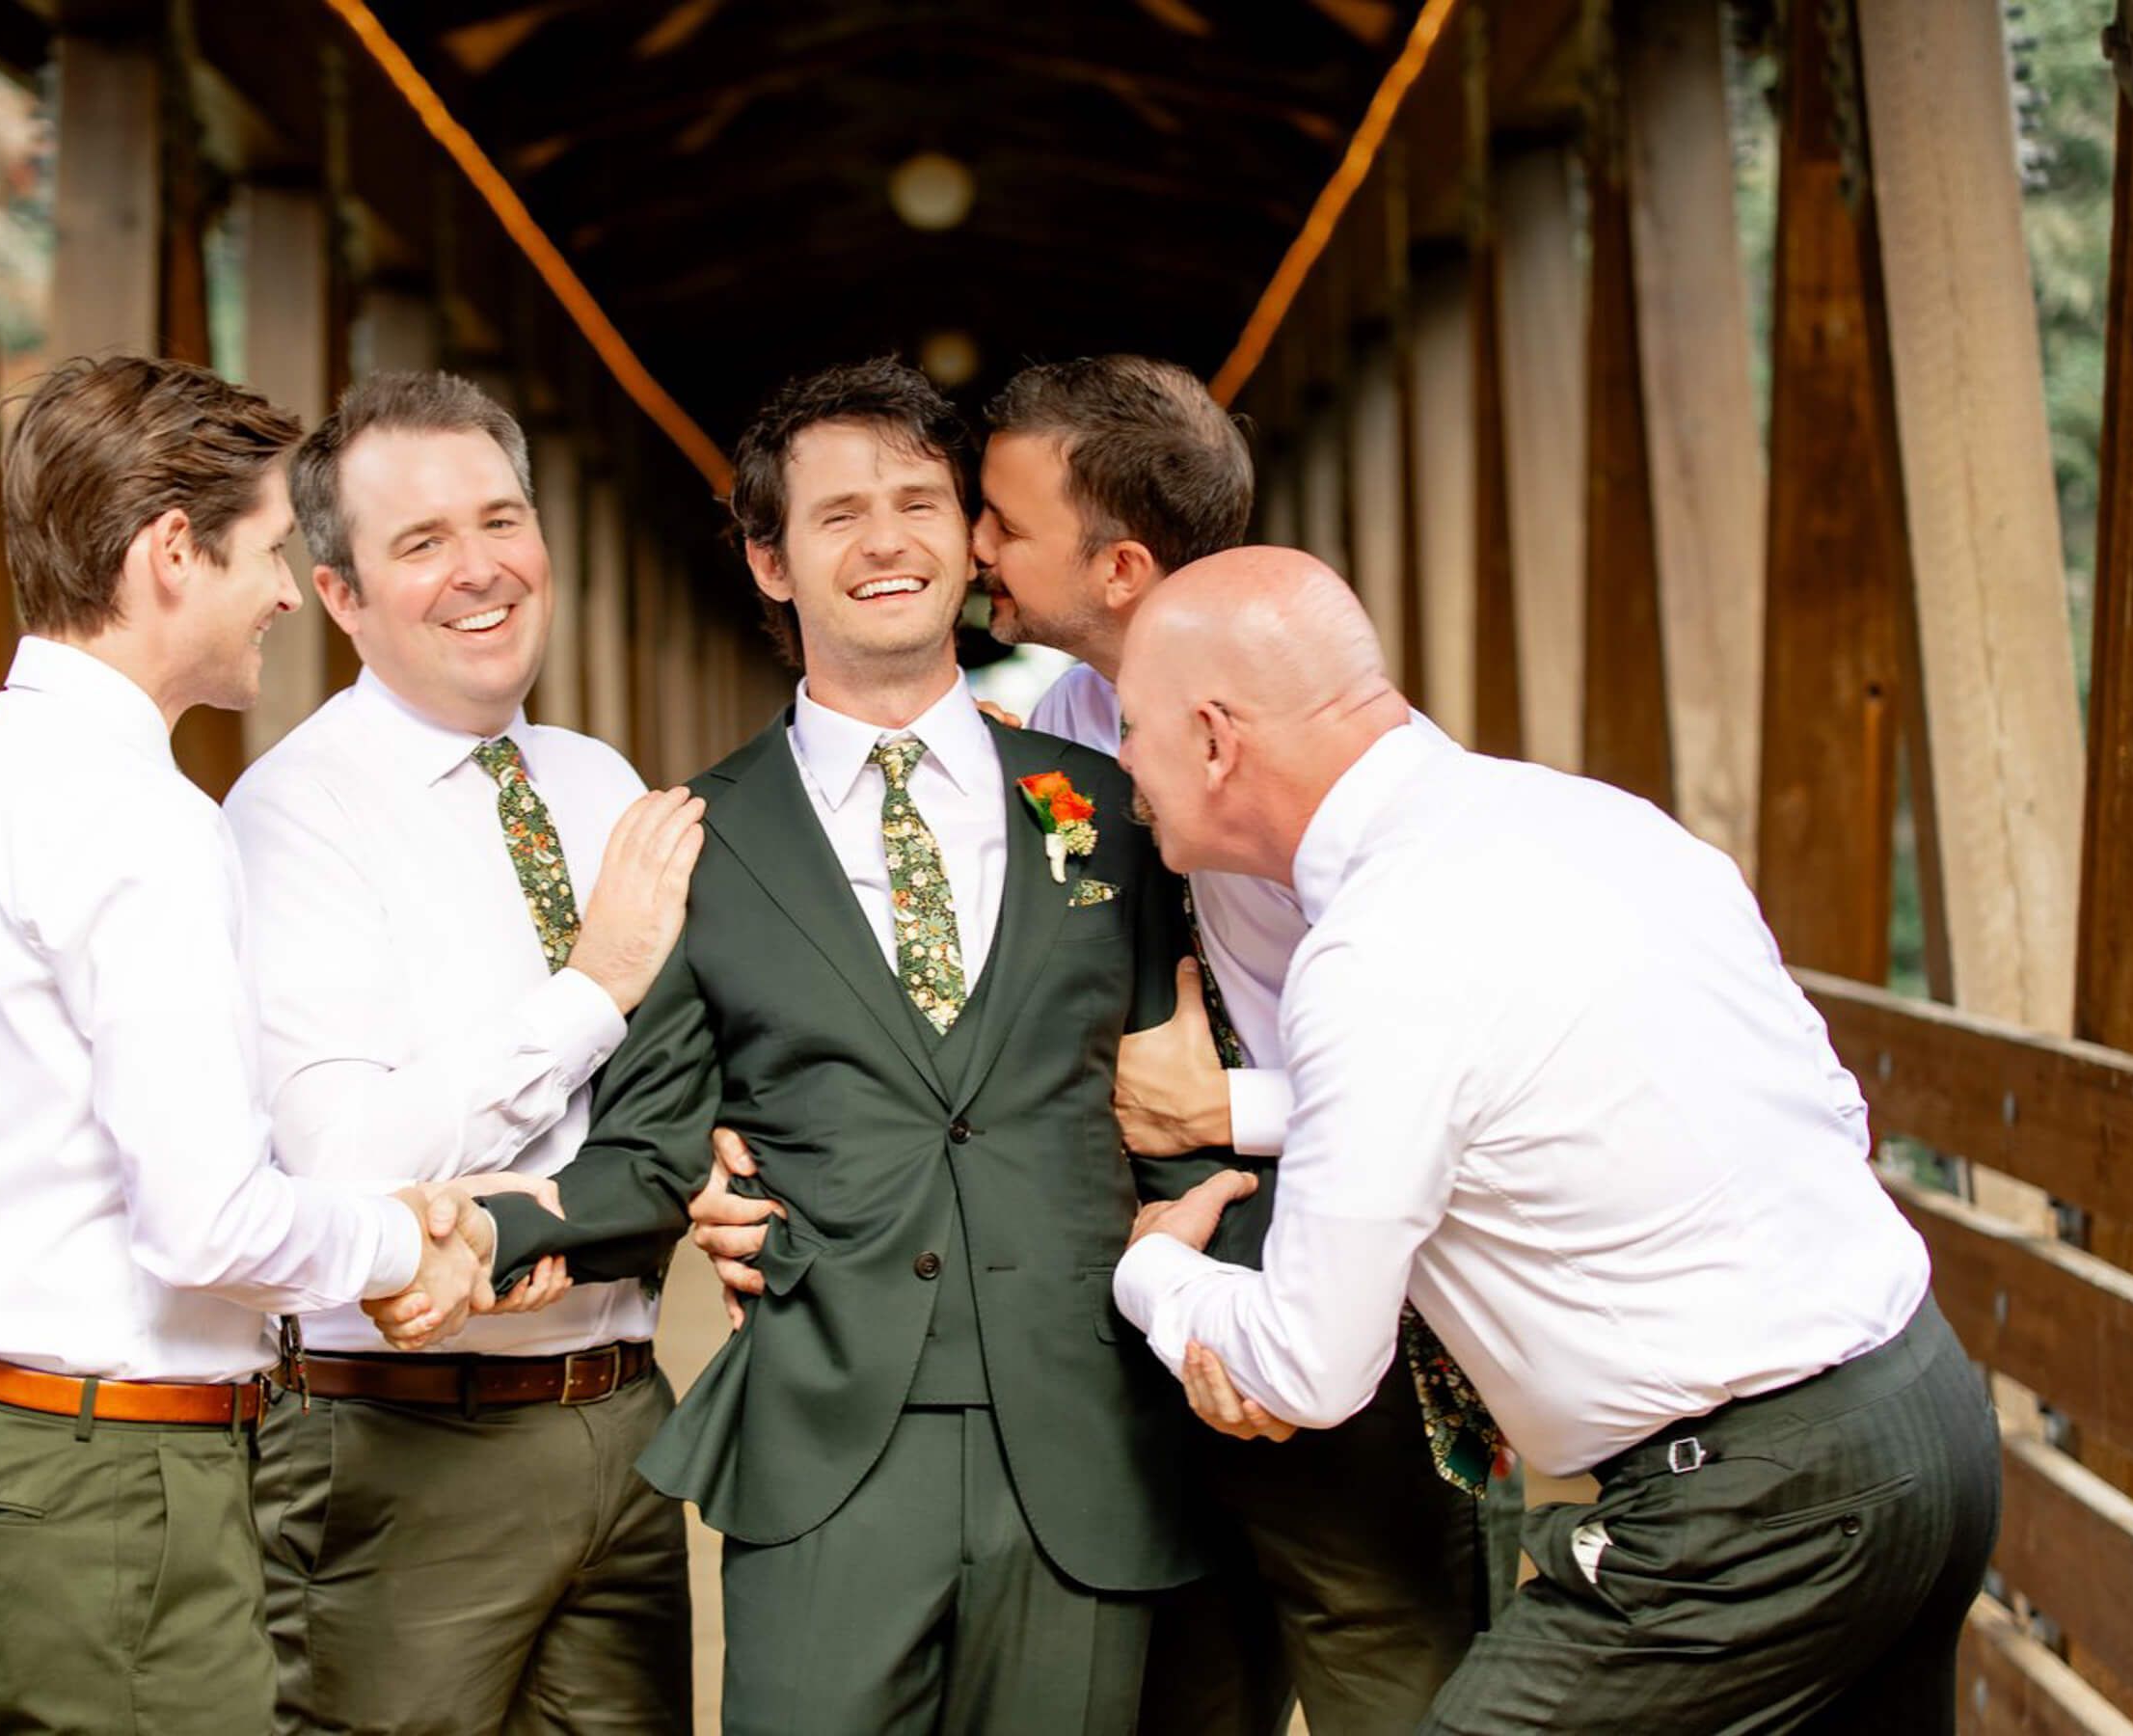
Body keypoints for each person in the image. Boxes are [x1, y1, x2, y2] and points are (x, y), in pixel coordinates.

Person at [1112, 547, 2002, 1732]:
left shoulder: (1376, 948)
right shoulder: (1596, 820)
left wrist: (1153, 1271)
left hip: (1747, 1517)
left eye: (1131, 729)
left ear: (1216, 739)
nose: (1122, 765)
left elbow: (1308, 1370)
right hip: (1927, 1417)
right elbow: (1822, 1105)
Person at [472, 358, 1227, 1733]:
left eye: (920, 503)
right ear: (769, 561)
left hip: (1088, 1444)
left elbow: (1176, 1099)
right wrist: (472, 1234)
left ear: (965, 537)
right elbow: (649, 1142)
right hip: (826, 1450)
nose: (887, 542)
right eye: (836, 516)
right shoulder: (694, 838)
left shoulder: (1114, 808)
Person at [0, 355, 499, 1734]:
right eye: (272, 551)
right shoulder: (134, 816)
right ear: (173, 552)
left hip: (18, 1454)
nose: (290, 590)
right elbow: (207, 1222)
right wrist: (408, 1240)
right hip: (115, 1483)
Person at [981, 355, 1488, 1731]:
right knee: (1187, 1665)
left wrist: (1225, 1108)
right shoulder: (1065, 722)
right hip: (1146, 1259)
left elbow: (1436, 1075)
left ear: (1124, 567)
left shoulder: (1318, 770)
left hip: (1330, 1234)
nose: (977, 548)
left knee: (1389, 1650)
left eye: (1004, 524)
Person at [227, 370, 704, 1733]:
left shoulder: (595, 779)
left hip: (623, 1413)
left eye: (500, 520)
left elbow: (662, 1090)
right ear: (340, 598)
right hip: (403, 1442)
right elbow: (344, 1162)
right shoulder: (295, 818)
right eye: (421, 543)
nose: (479, 569)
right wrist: (591, 984)